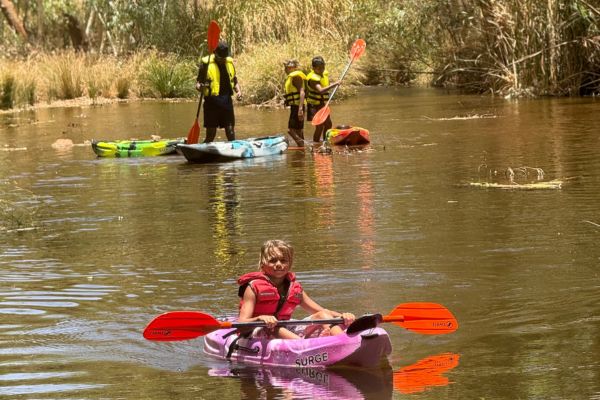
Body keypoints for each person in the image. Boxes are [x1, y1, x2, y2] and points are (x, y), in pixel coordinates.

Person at [237, 240, 355, 339]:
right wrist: (260, 318)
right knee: (274, 327)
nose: (278, 264)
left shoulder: (294, 289)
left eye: (283, 260)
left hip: (284, 328)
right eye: (272, 260)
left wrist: (343, 316)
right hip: (258, 330)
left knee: (322, 315)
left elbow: (321, 311)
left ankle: (343, 341)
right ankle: (304, 346)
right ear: (262, 264)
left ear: (290, 263)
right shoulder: (252, 287)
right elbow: (242, 323)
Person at [195, 41, 243, 143]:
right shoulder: (206, 64)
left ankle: (235, 152)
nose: (222, 60)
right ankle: (203, 153)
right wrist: (201, 88)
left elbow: (234, 81)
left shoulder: (229, 63)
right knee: (211, 135)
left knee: (230, 132)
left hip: (226, 102)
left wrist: (239, 91)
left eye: (224, 58)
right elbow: (198, 84)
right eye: (220, 58)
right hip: (211, 103)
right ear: (215, 53)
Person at [306, 56, 340, 143]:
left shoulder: (323, 75)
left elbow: (325, 86)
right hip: (314, 105)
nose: (321, 69)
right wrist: (335, 84)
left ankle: (325, 141)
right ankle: (316, 143)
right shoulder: (313, 79)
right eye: (319, 68)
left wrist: (333, 84)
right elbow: (321, 90)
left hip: (322, 104)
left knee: (328, 123)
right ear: (313, 68)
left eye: (323, 67)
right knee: (319, 126)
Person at [282, 59, 306, 146]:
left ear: (294, 68)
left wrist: (300, 109)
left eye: (289, 67)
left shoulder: (296, 77)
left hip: (298, 106)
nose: (286, 69)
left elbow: (302, 92)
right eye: (286, 67)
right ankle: (302, 148)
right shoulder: (291, 77)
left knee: (290, 130)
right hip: (296, 106)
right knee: (299, 130)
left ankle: (302, 145)